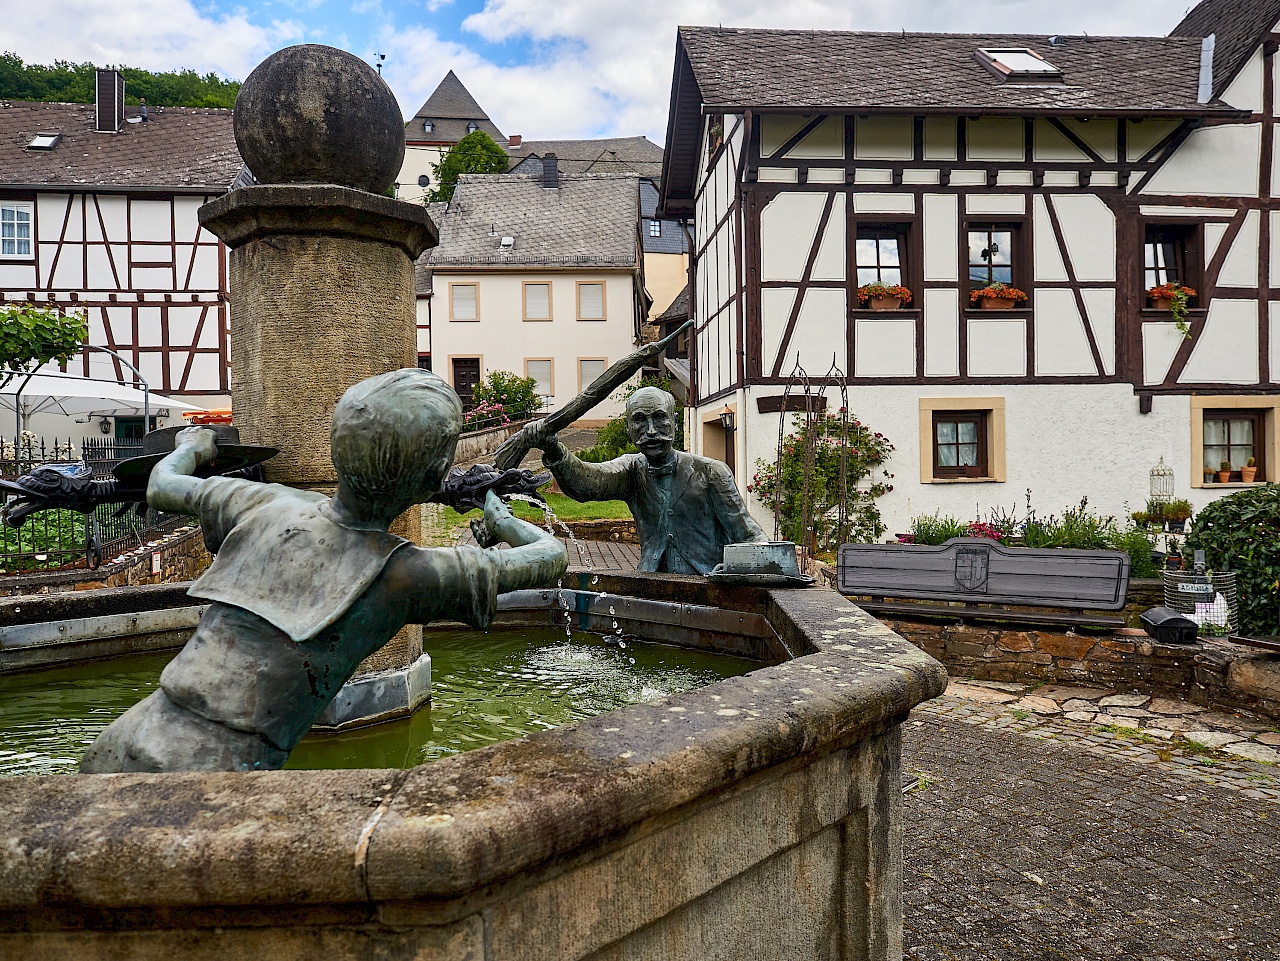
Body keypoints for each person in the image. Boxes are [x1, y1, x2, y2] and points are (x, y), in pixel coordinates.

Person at [81, 369, 567, 773]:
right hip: (217, 770)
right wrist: (503, 523)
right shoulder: (404, 575)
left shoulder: (264, 502)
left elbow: (163, 485)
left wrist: (195, 445)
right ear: (434, 475)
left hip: (129, 733)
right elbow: (551, 558)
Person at [528, 386, 766, 574]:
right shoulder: (632, 470)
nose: (651, 430)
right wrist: (555, 450)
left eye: (660, 418)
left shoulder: (711, 472)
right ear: (628, 427)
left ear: (674, 421)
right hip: (651, 588)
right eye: (640, 420)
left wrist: (737, 568)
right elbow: (588, 484)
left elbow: (750, 536)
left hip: (708, 590)